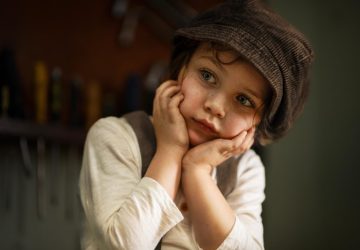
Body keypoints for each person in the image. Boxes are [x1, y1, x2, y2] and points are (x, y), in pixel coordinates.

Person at [79, 0, 314, 249]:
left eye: (244, 100)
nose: (215, 105)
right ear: (181, 70)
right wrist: (170, 151)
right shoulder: (116, 137)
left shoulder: (245, 169)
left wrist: (197, 171)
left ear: (258, 121)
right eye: (207, 75)